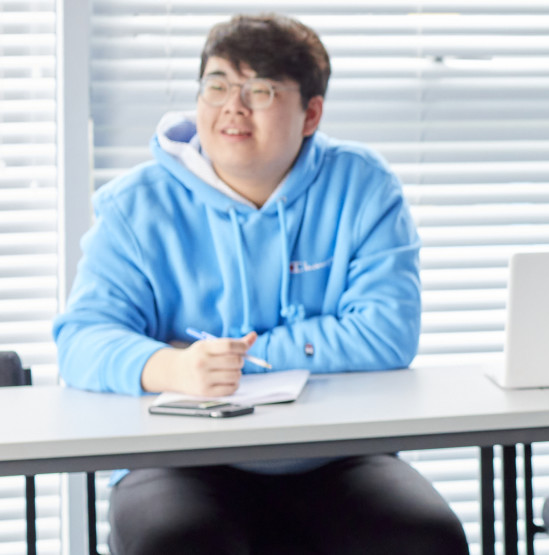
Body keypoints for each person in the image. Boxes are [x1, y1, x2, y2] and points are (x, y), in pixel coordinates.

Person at [51, 13, 465, 555]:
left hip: (335, 451)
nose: (232, 107)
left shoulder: (363, 187)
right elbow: (82, 338)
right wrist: (176, 367)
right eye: (216, 85)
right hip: (179, 458)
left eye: (261, 90)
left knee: (426, 539)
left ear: (311, 113)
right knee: (179, 543)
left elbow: (387, 333)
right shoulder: (136, 204)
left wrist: (236, 359)